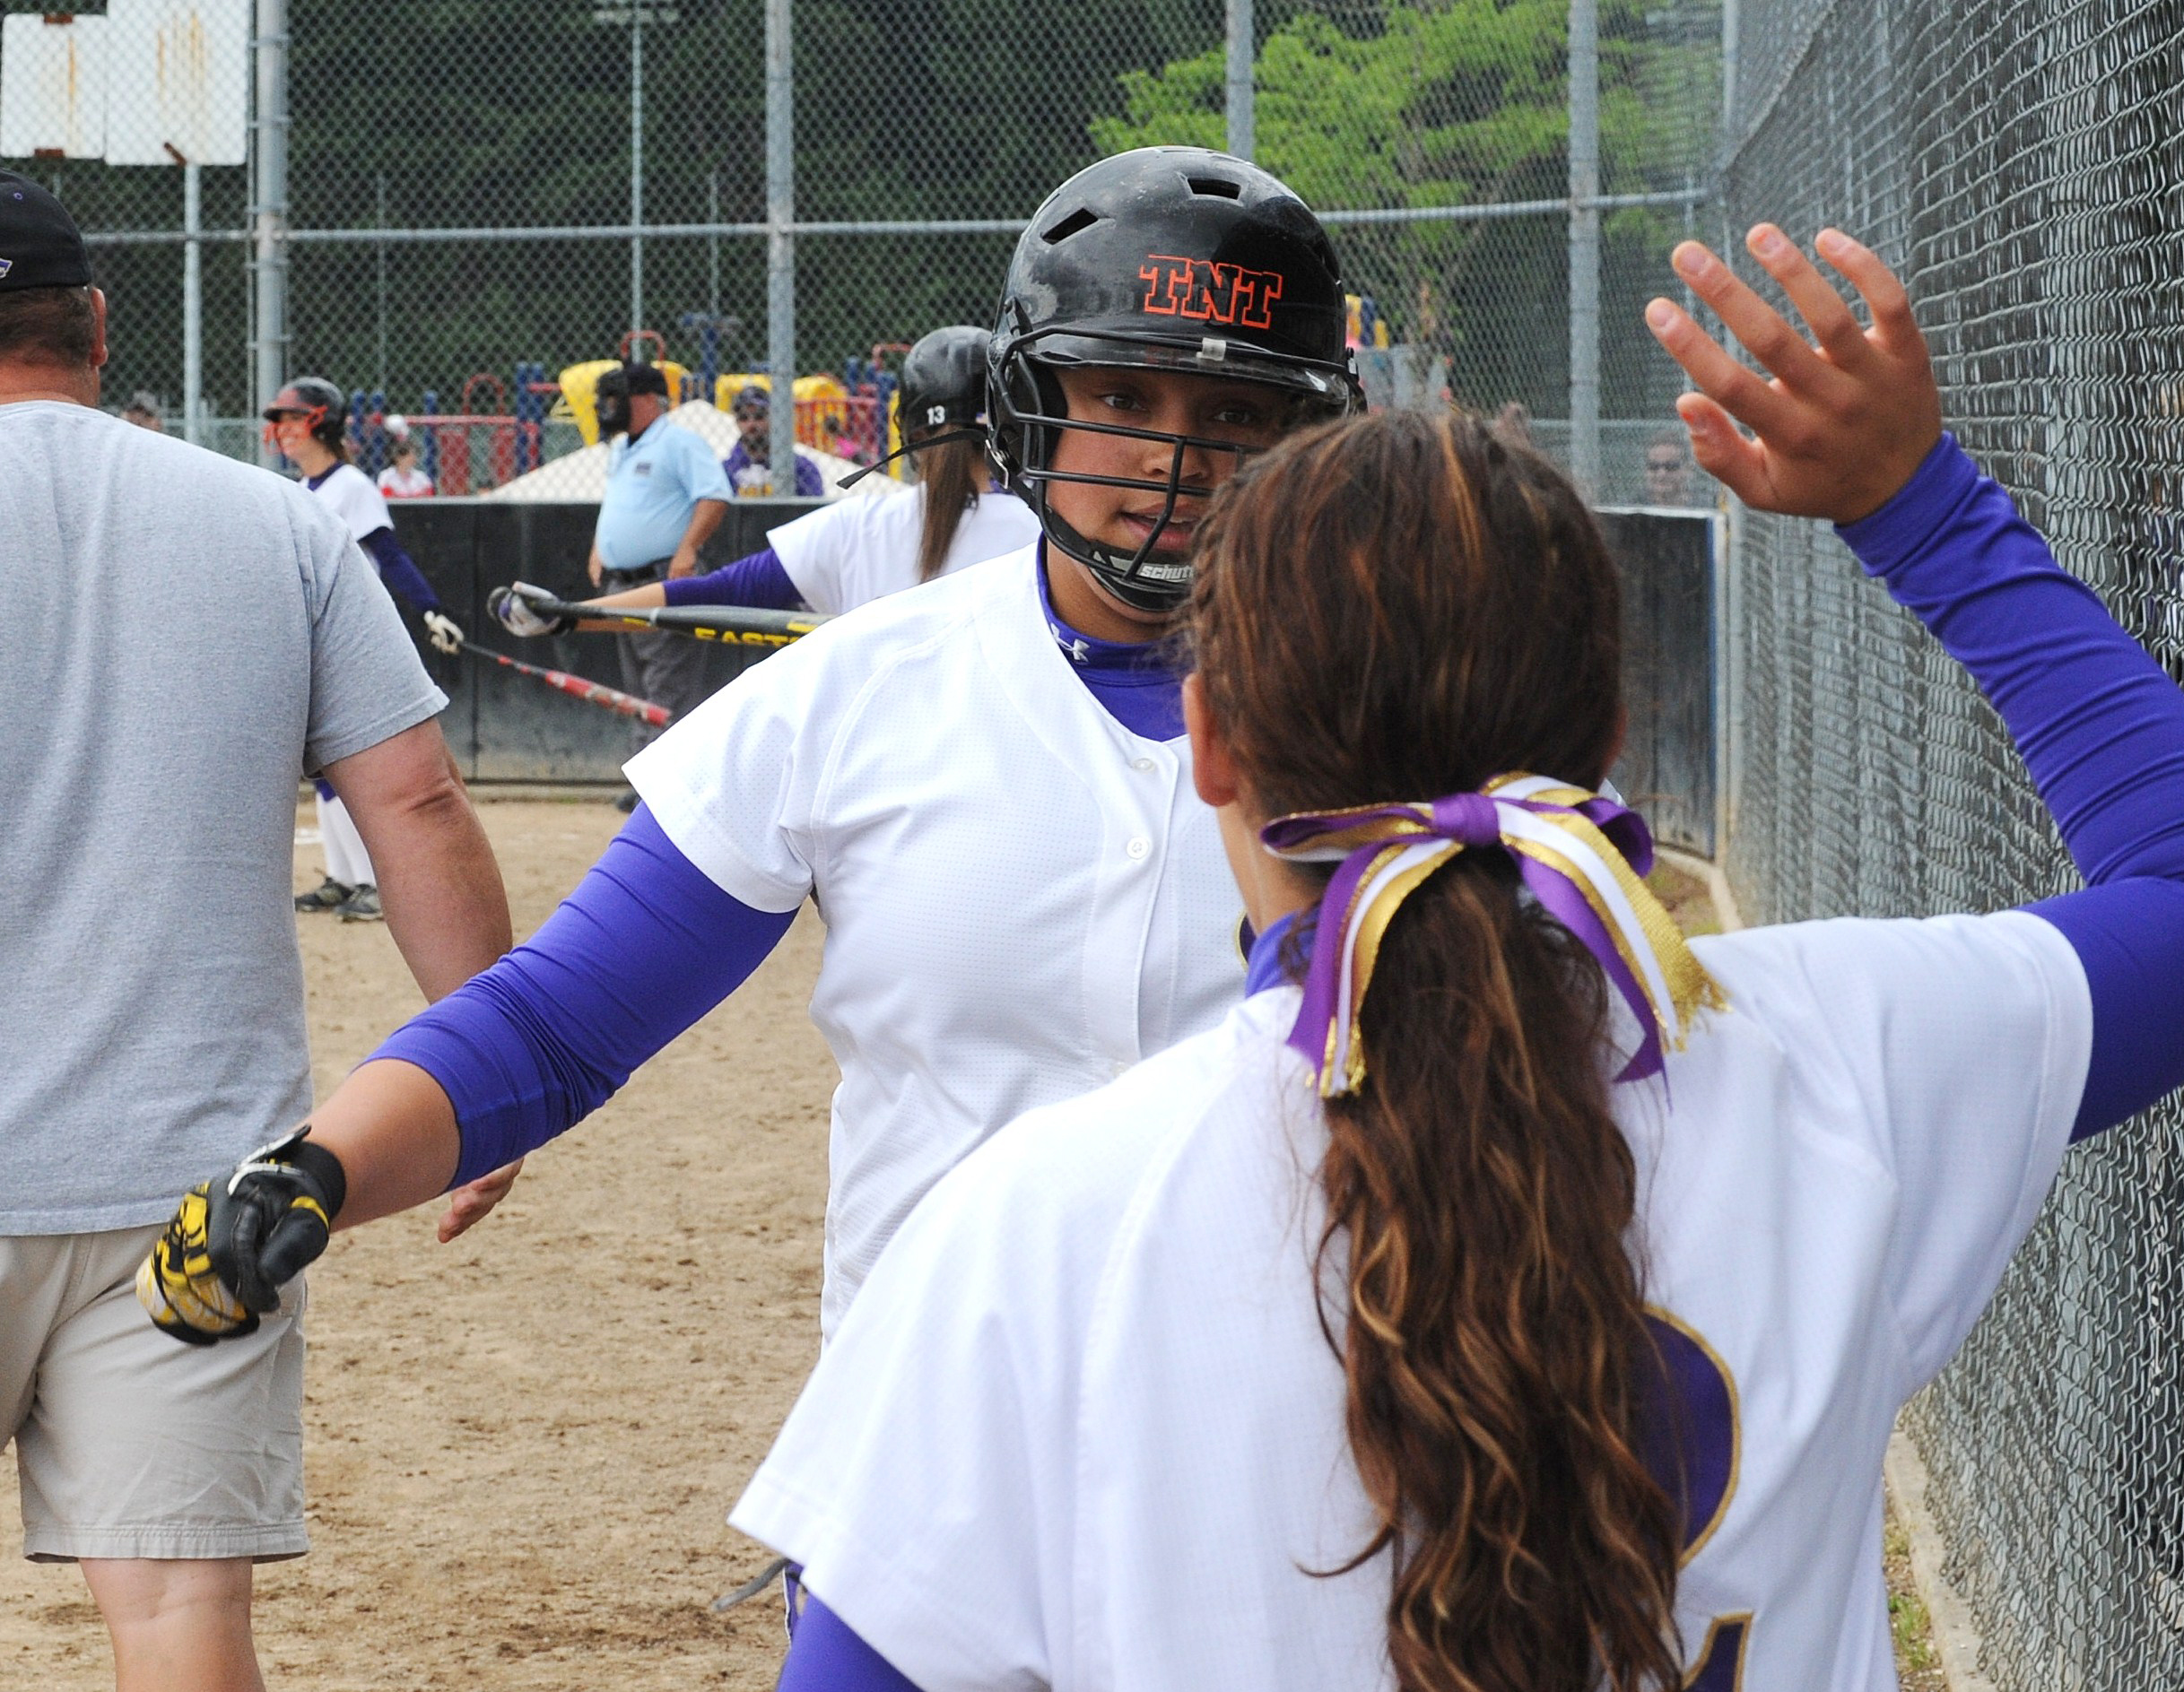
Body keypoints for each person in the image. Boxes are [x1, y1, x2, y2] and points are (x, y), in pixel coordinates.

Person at [718, 230, 2184, 1688]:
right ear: (1610, 743)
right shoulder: (1835, 1062)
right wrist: (1922, 509)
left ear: (1207, 744)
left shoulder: (1031, 1230)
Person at [139, 148, 1361, 1356]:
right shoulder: (855, 689)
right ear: (1035, 401)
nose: (1171, 455)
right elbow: (562, 1016)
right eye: (1121, 396)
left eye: (1233, 412)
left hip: (1301, 1424)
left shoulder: (1401, 706)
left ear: (1310, 429)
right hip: (933, 1426)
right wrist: (315, 1167)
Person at [0, 170, 516, 1692]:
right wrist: (488, 1073)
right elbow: (413, 800)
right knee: (175, 1626)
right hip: (189, 1195)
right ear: (97, 324)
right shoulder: (270, 524)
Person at [492, 325, 1039, 634]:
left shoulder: (860, 525)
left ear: (909, 429)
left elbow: (716, 594)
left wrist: (567, 618)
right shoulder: (1050, 534)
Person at [265, 376, 466, 921]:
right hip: (313, 638)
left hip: (351, 640)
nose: (281, 431)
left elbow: (390, 555)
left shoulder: (351, 485)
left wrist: (430, 609)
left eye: (291, 419)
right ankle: (344, 877)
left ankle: (377, 881)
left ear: (321, 423)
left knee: (350, 766)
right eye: (278, 421)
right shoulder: (302, 492)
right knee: (323, 772)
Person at [587, 359, 734, 804]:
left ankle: (660, 789)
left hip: (664, 580)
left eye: (617, 398)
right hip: (622, 584)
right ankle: (647, 781)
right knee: (636, 687)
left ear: (647, 400)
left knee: (667, 685)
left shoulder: (678, 442)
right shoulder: (621, 447)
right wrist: (599, 548)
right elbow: (620, 502)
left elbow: (715, 494)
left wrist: (688, 549)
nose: (607, 407)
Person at [724, 382, 827, 498]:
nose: (751, 424)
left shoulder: (801, 468)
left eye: (759, 416)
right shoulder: (727, 470)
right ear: (736, 422)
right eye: (743, 418)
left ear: (773, 418)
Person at [1642, 422, 1697, 506]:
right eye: (1653, 467)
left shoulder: (1705, 510)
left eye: (1670, 467)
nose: (1661, 474)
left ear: (1688, 469)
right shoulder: (1630, 510)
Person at [378, 421, 433, 498]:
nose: (414, 459)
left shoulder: (421, 477)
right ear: (399, 458)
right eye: (409, 456)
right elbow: (387, 497)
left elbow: (429, 496)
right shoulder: (386, 476)